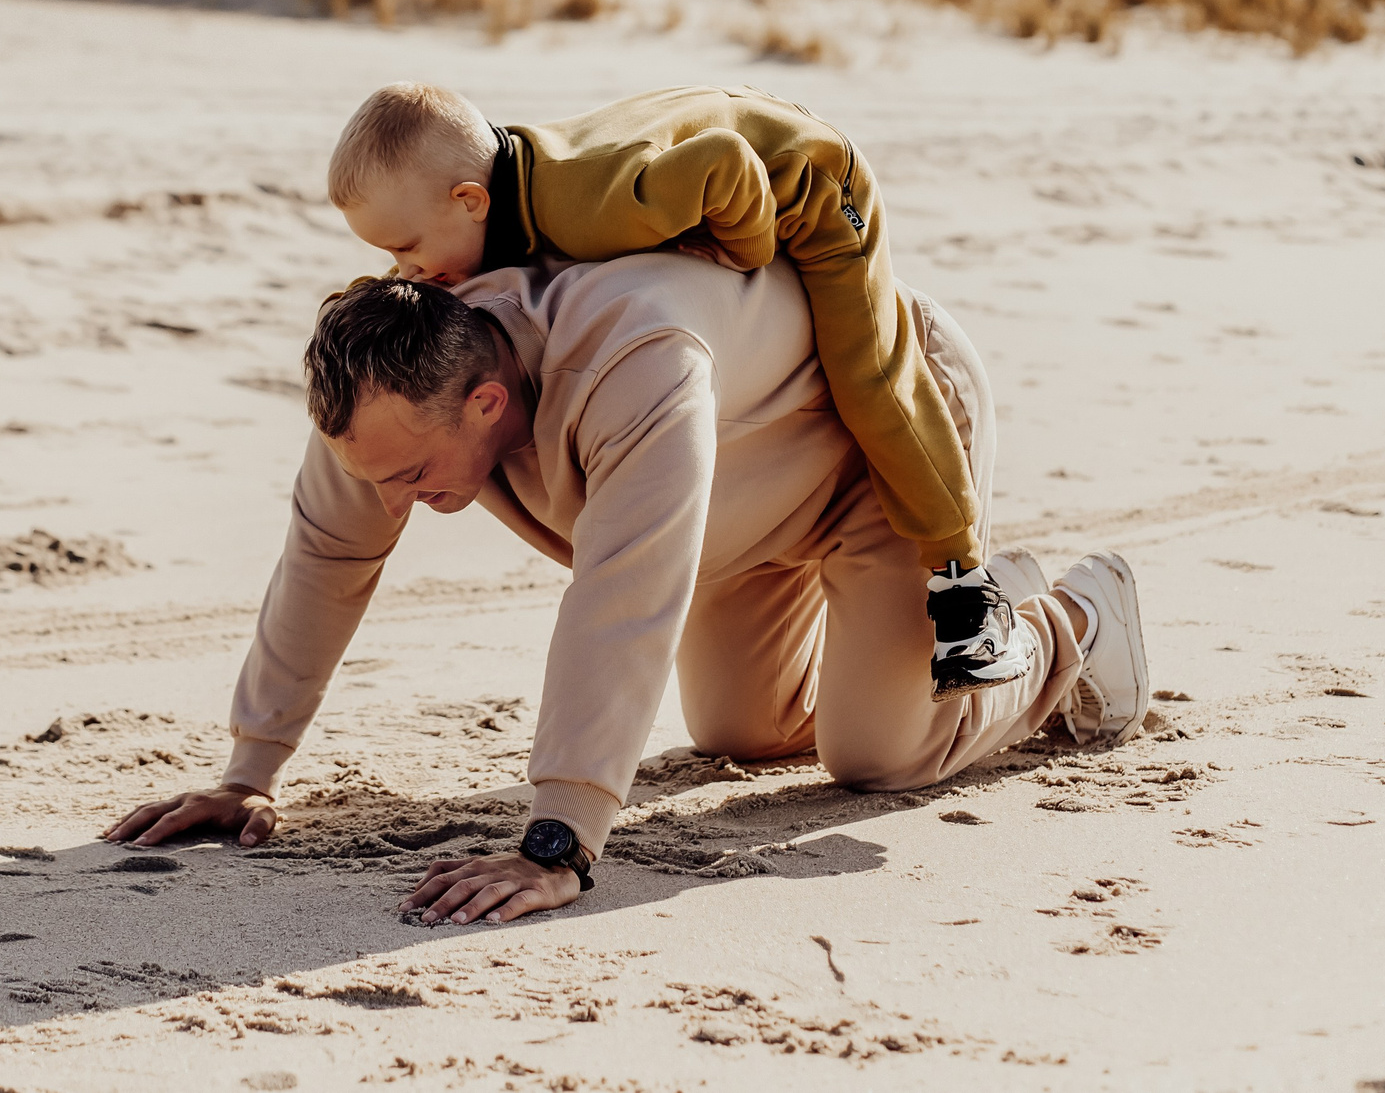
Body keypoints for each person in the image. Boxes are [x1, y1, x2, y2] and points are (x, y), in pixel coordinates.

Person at [105, 253, 1149, 928]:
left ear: (485, 400)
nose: (401, 504)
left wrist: (558, 840)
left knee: (876, 754)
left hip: (886, 440)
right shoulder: (382, 404)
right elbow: (325, 563)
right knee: (741, 731)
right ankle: (944, 638)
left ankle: (1069, 618)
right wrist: (250, 771)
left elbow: (626, 594)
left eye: (414, 479)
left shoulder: (632, 359)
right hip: (746, 503)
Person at [323, 81, 1030, 700]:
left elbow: (724, 166)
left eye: (405, 250)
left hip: (814, 186)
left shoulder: (590, 205)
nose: (405, 273)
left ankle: (963, 577)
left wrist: (737, 256)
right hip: (705, 162)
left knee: (872, 373)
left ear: (472, 200)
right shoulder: (489, 223)